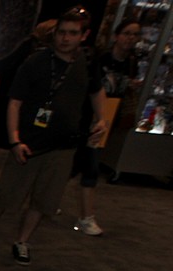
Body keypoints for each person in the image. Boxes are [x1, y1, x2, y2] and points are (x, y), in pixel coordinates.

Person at [0, 6, 106, 265]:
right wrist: (15, 139)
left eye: (72, 33)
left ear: (83, 35)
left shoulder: (87, 63)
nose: (65, 38)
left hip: (64, 144)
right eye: (61, 32)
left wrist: (102, 118)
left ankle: (22, 241)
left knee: (45, 199)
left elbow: (96, 90)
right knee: (6, 192)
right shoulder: (36, 62)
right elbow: (14, 102)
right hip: (29, 141)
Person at [69, 18, 143, 236]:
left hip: (108, 116)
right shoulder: (101, 58)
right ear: (116, 36)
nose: (131, 38)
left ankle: (48, 200)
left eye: (135, 34)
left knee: (78, 164)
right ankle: (86, 217)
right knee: (87, 165)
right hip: (90, 116)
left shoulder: (132, 62)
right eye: (127, 33)